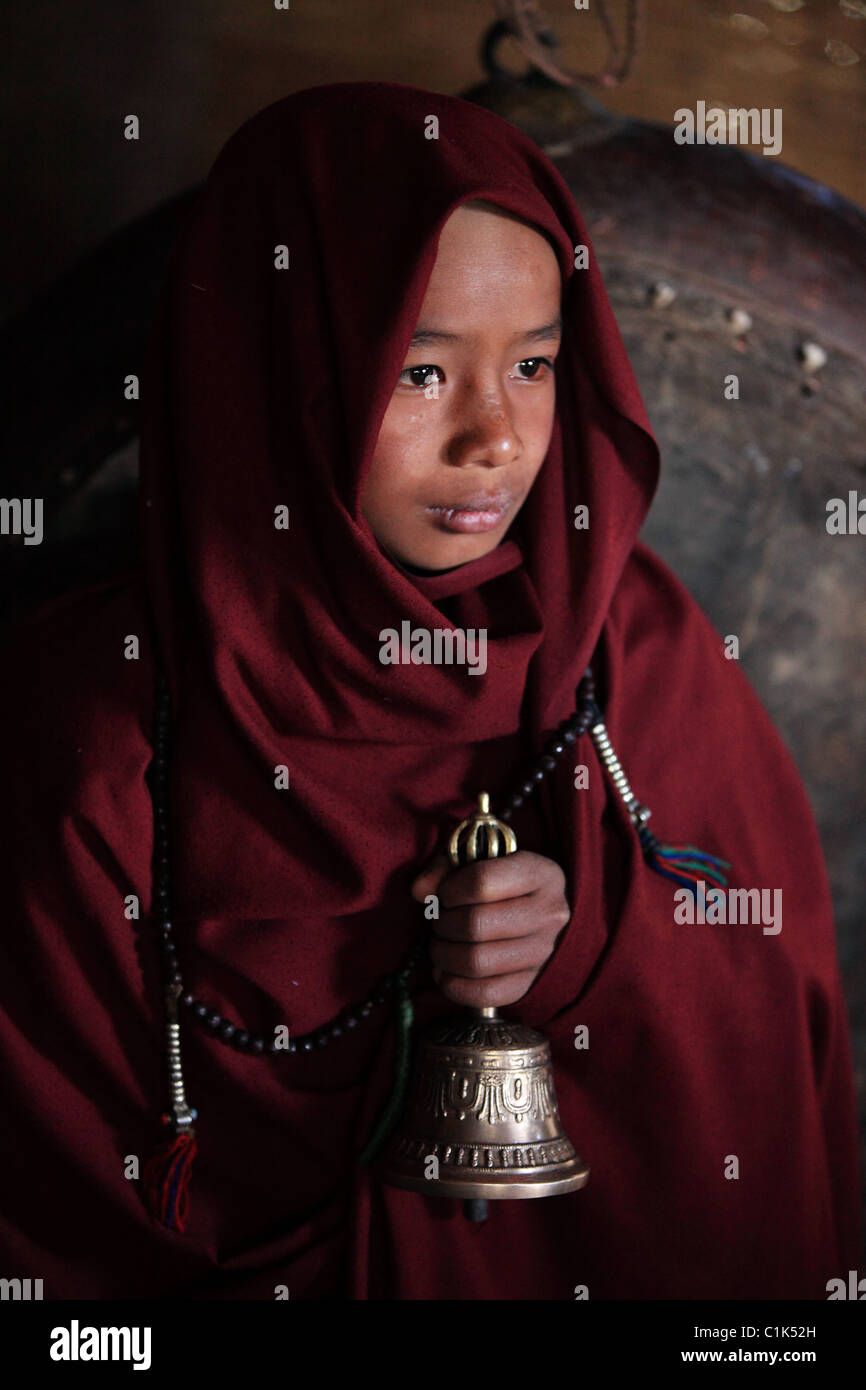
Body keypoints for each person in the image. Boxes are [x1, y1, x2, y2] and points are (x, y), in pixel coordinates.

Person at [0, 80, 860, 1301]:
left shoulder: (635, 650)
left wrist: (581, 954)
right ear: (270, 359)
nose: (495, 439)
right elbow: (57, 1208)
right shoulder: (94, 722)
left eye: (533, 363)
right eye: (418, 374)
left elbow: (763, 1026)